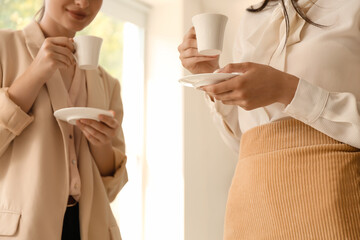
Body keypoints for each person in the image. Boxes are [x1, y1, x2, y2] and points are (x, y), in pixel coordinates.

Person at [178, 0, 360, 239]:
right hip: (250, 202)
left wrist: (287, 90)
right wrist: (211, 76)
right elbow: (244, 143)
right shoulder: (253, 17)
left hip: (331, 199)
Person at [0, 0, 127, 239]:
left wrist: (101, 143)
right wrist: (35, 73)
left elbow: (110, 189)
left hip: (90, 229)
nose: (83, 3)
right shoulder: (3, 48)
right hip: (25, 229)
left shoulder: (107, 83)